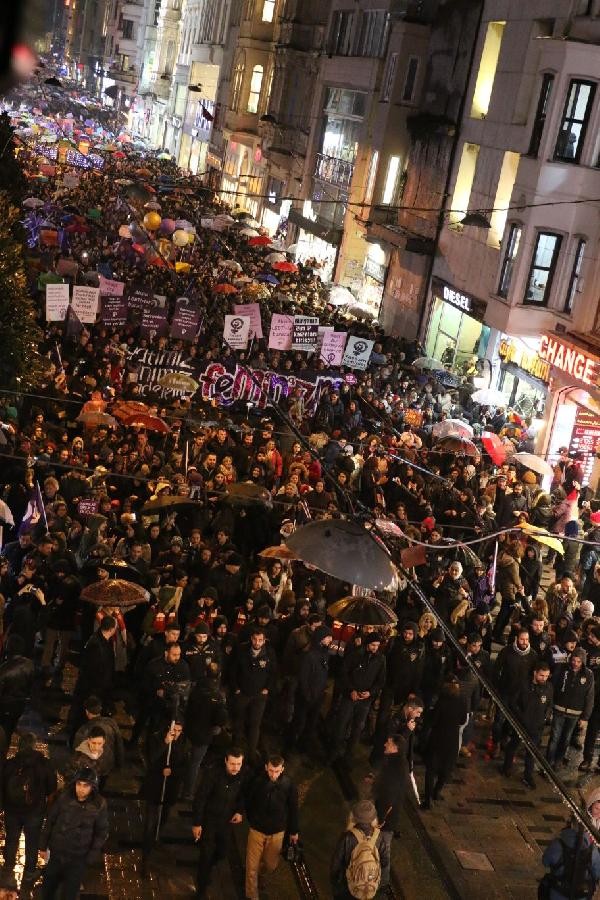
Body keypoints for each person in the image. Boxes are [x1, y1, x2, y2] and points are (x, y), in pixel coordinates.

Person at [39, 766, 108, 900]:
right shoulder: (64, 797)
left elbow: (101, 831)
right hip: (57, 854)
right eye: (79, 784)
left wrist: (90, 856)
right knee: (47, 889)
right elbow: (51, 821)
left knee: (69, 894)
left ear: (92, 787)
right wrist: (43, 845)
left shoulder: (99, 804)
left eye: (85, 786)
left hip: (78, 858)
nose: (81, 789)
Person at [1, 732, 57, 884]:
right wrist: (47, 808)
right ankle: (30, 872)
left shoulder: (10, 764)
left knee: (11, 839)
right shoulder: (44, 764)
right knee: (32, 841)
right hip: (34, 812)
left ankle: (8, 867)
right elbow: (52, 789)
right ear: (34, 746)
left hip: (12, 811)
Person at [191, 747, 247, 898]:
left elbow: (243, 795)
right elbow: (200, 798)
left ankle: (208, 867)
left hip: (226, 821)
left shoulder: (242, 775)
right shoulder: (213, 774)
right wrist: (197, 823)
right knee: (206, 853)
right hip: (210, 819)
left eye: (239, 764)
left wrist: (239, 811)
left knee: (222, 852)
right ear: (226, 761)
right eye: (232, 764)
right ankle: (201, 888)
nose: (235, 768)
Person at [244, 755, 299, 900]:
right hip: (257, 830)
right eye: (270, 771)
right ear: (266, 768)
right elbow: (248, 801)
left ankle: (259, 875)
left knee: (271, 864)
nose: (273, 774)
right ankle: (252, 895)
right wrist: (253, 819)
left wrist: (293, 830)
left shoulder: (289, 785)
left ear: (282, 769)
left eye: (276, 771)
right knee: (251, 866)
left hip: (277, 832)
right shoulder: (257, 782)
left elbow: (293, 808)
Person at [371, 733, 418, 888]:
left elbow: (388, 797)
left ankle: (381, 881)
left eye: (389, 743)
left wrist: (380, 819)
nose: (385, 744)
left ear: (395, 748)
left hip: (386, 819)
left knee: (382, 849)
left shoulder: (394, 768)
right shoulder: (399, 763)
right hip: (390, 816)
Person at [501, 661, 553, 789]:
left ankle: (528, 776)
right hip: (521, 725)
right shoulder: (523, 685)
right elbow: (513, 703)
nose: (544, 678)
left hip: (537, 726)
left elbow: (549, 704)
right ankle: (506, 767)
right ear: (535, 673)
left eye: (546, 676)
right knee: (513, 745)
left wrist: (546, 716)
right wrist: (521, 716)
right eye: (542, 675)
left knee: (532, 752)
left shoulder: (549, 687)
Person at [421, 674, 469, 810]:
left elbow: (433, 720)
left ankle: (428, 798)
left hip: (437, 738)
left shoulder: (441, 700)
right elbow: (462, 720)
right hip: (452, 740)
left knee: (431, 769)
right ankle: (437, 792)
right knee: (446, 769)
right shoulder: (462, 700)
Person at [142, 720, 188, 854]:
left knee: (163, 816)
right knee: (151, 819)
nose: (177, 734)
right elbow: (151, 758)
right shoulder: (156, 738)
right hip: (155, 785)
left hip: (170, 787)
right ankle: (147, 846)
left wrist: (173, 772)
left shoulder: (183, 743)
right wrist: (165, 743)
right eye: (175, 730)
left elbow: (185, 766)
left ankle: (156, 837)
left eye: (180, 731)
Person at [231, 628, 277, 760]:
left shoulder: (269, 652)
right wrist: (236, 688)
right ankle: (235, 751)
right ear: (251, 638)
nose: (257, 642)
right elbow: (233, 670)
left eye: (260, 640)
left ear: (264, 640)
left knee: (255, 724)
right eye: (255, 639)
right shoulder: (241, 650)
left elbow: (273, 673)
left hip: (259, 696)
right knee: (238, 721)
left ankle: (251, 753)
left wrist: (267, 688)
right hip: (242, 694)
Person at [330, 799, 389, 900]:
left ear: (354, 817)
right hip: (370, 887)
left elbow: (336, 865)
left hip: (349, 886)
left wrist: (335, 884)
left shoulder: (347, 837)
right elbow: (385, 862)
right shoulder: (379, 836)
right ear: (373, 818)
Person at [547, 647, 594, 768]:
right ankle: (548, 763)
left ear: (583, 661)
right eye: (574, 660)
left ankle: (557, 762)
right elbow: (553, 687)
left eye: (579, 661)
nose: (575, 663)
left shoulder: (588, 675)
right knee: (554, 738)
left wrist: (585, 717)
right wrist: (550, 706)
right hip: (559, 709)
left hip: (575, 714)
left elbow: (589, 697)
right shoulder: (562, 669)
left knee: (566, 739)